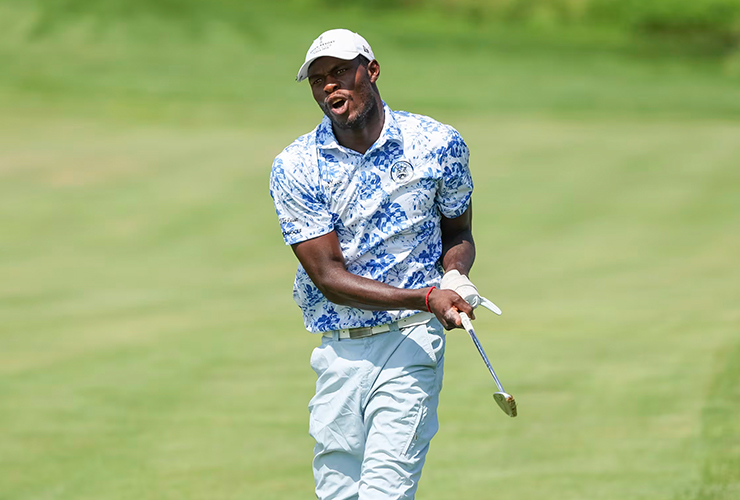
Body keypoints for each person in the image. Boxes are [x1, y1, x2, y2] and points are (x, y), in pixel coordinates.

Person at [269, 28, 486, 500]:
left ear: (372, 70)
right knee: (338, 494)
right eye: (318, 79)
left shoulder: (437, 144)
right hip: (339, 350)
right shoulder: (296, 166)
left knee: (385, 492)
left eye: (341, 71)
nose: (330, 85)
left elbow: (458, 232)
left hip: (411, 341)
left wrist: (454, 275)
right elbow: (329, 279)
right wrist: (429, 296)